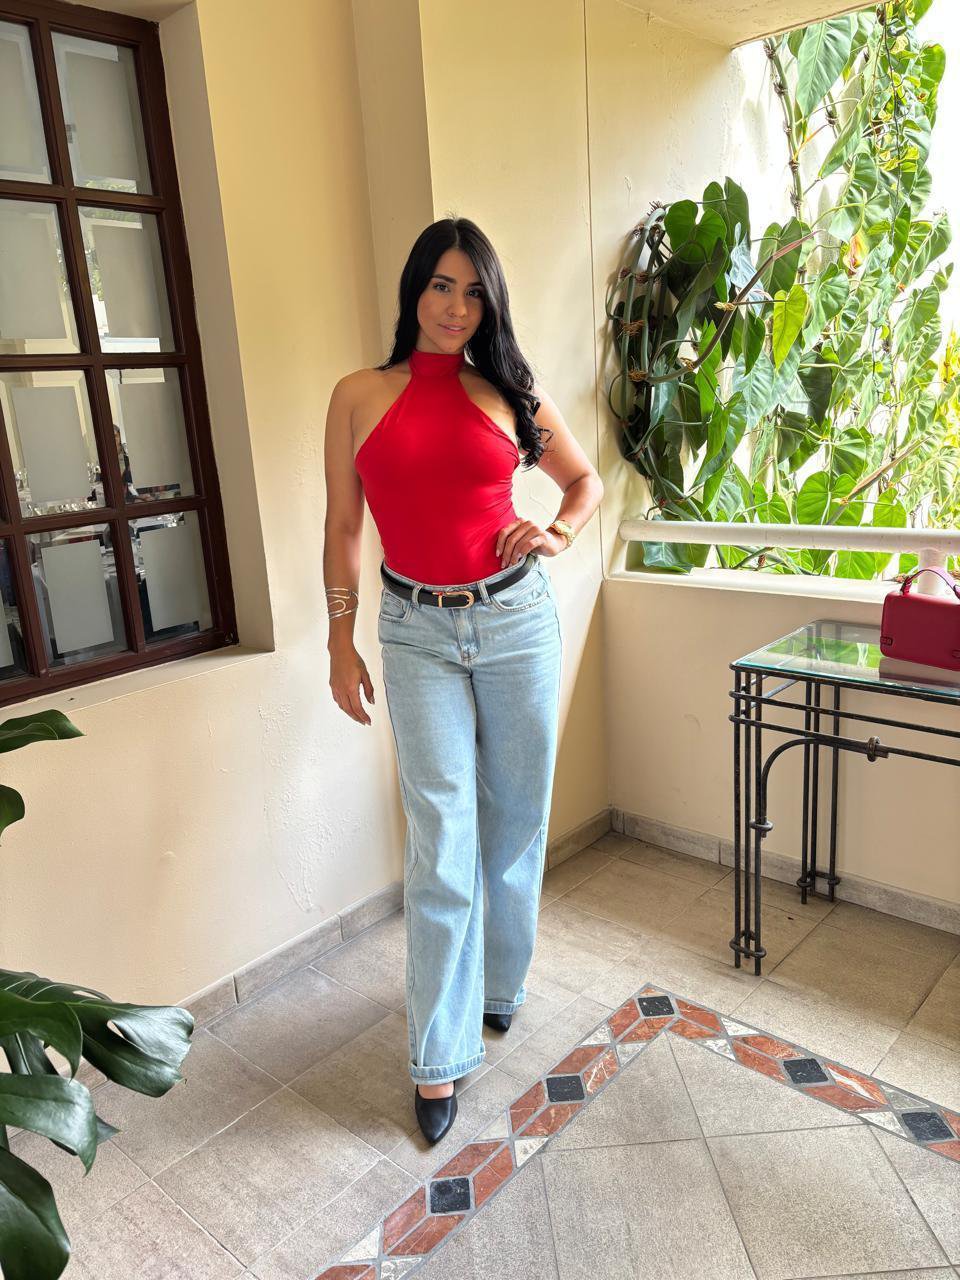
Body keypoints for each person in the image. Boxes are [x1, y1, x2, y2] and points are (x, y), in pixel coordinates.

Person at [321, 216, 603, 1145]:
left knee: (516, 818)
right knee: (442, 839)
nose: (456, 307)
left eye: (474, 292)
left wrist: (555, 533)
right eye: (442, 286)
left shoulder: (510, 393)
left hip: (516, 620)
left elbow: (585, 483)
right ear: (414, 289)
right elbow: (344, 527)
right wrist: (339, 640)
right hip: (415, 632)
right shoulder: (359, 394)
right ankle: (438, 1057)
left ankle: (498, 986)